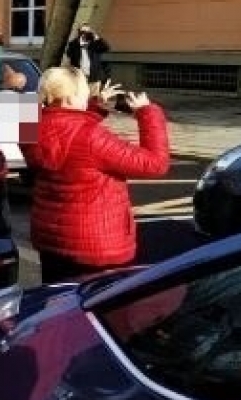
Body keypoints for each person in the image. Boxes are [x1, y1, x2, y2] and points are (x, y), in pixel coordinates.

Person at [20, 66, 170, 284]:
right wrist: (147, 112)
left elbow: (66, 128)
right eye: (83, 92)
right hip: (96, 247)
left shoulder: (28, 127)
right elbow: (155, 164)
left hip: (52, 240)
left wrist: (95, 106)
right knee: (97, 308)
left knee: (58, 305)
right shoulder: (92, 137)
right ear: (72, 96)